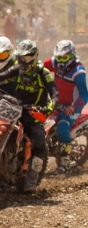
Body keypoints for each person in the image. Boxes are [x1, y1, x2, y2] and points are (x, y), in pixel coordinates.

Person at [0, 40, 57, 191]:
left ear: (35, 56)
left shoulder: (44, 73)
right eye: (20, 58)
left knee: (39, 140)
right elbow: (1, 76)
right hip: (15, 107)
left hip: (33, 113)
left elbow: (55, 94)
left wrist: (48, 108)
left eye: (27, 58)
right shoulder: (17, 69)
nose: (23, 62)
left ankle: (32, 178)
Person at [43, 40, 88, 173]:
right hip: (57, 102)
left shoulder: (78, 72)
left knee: (62, 126)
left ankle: (65, 163)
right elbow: (39, 68)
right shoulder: (54, 62)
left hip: (72, 106)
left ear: (72, 56)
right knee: (41, 122)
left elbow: (84, 95)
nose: (61, 61)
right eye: (59, 57)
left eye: (64, 57)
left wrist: (73, 107)